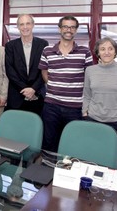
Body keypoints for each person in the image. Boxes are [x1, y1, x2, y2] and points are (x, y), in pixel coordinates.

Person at [39, 15, 93, 152]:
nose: (69, 30)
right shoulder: (47, 51)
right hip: (51, 106)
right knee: (48, 143)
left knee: (72, 144)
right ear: (59, 29)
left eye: (72, 27)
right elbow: (44, 71)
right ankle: (47, 171)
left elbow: (89, 76)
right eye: (65, 26)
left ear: (76, 30)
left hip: (75, 108)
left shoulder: (85, 52)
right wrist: (54, 84)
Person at [82, 37, 117, 153]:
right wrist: (85, 112)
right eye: (102, 49)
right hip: (92, 120)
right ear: (97, 52)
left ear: (115, 51)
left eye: (110, 49)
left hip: (116, 123)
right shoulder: (90, 70)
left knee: (112, 159)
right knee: (91, 154)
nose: (106, 52)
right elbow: (86, 95)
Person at [5, 14, 49, 116]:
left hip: (37, 96)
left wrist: (33, 89)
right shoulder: (10, 46)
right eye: (22, 24)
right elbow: (10, 71)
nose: (25, 27)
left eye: (28, 23)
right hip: (17, 96)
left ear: (33, 25)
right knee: (16, 129)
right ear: (18, 27)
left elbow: (45, 69)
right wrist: (25, 90)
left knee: (36, 129)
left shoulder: (43, 44)